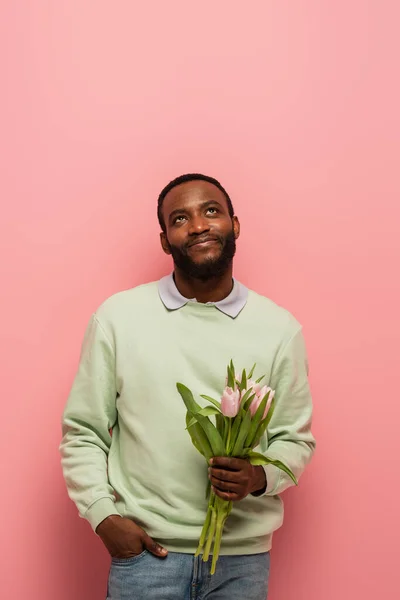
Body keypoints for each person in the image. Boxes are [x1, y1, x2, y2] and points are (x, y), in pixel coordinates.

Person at [60, 173, 315, 599]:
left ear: (235, 225)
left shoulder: (278, 329)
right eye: (181, 218)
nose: (198, 225)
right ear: (165, 240)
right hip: (146, 559)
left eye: (211, 211)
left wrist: (257, 476)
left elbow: (295, 441)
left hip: (242, 564)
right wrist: (103, 517)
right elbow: (83, 432)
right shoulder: (119, 319)